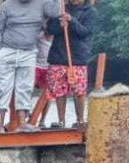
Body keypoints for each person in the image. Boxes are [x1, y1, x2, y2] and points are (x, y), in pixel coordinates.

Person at [0, 0, 61, 134]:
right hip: (7, 50)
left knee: (25, 87)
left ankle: (23, 123)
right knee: (3, 87)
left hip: (29, 51)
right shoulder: (6, 5)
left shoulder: (43, 3)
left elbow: (55, 13)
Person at [45, 0, 95, 128]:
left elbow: (85, 32)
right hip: (59, 55)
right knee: (59, 90)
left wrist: (71, 21)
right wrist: (59, 24)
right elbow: (50, 30)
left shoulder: (90, 11)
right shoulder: (60, 9)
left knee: (79, 90)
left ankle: (80, 120)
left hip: (77, 57)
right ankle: (61, 120)